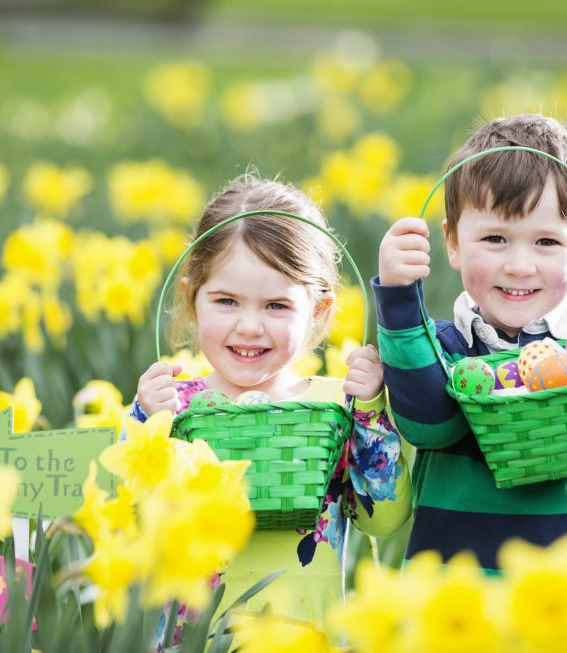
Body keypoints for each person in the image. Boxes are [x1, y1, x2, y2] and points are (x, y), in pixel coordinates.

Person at [373, 114, 567, 624]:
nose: (519, 265)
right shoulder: (444, 348)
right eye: (494, 239)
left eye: (546, 242)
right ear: (451, 243)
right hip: (459, 607)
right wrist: (400, 303)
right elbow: (429, 424)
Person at [127, 173, 412, 634]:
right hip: (195, 641)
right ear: (191, 298)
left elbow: (384, 520)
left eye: (276, 306)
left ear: (317, 312)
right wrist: (144, 420)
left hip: (304, 639)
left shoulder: (335, 408)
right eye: (226, 301)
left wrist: (371, 414)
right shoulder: (175, 406)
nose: (249, 326)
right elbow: (127, 519)